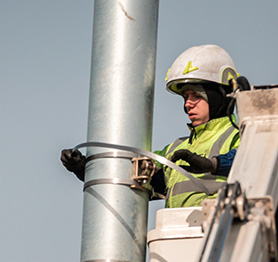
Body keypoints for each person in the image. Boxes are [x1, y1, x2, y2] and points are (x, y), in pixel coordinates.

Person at [61, 44, 241, 208]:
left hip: (219, 229)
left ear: (220, 95)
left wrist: (212, 164)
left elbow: (249, 162)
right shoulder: (176, 148)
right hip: (174, 230)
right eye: (185, 97)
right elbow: (129, 177)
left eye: (196, 96)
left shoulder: (239, 135)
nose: (187, 104)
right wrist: (84, 169)